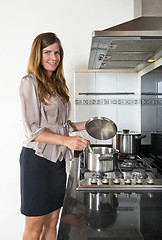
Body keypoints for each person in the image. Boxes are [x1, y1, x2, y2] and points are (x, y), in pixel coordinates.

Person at [19, 32, 89, 240]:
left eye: (57, 52)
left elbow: (62, 125)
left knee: (52, 222)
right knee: (35, 227)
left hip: (57, 162)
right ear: (37, 55)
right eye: (47, 52)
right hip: (37, 162)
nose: (53, 57)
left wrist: (90, 124)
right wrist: (67, 141)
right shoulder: (29, 83)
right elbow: (33, 130)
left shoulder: (57, 86)